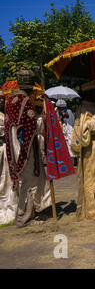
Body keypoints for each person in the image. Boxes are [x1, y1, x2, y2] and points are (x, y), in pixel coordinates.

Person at [4, 66, 51, 227]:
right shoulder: (26, 102)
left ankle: (28, 211)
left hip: (13, 146)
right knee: (28, 180)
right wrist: (42, 119)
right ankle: (24, 217)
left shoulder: (10, 100)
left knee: (22, 179)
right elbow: (31, 126)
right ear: (31, 86)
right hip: (26, 147)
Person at [71, 80, 95, 221]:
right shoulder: (84, 108)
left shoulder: (93, 106)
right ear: (89, 93)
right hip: (90, 149)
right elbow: (84, 129)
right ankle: (94, 210)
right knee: (93, 179)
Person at [0, 90, 18, 226]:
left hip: (5, 150)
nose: (1, 100)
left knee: (6, 180)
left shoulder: (5, 115)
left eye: (2, 98)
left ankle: (8, 207)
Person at [56, 99, 76, 166]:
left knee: (70, 145)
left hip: (69, 130)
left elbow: (67, 117)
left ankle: (72, 162)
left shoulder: (69, 112)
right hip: (63, 132)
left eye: (61, 108)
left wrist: (63, 115)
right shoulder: (58, 113)